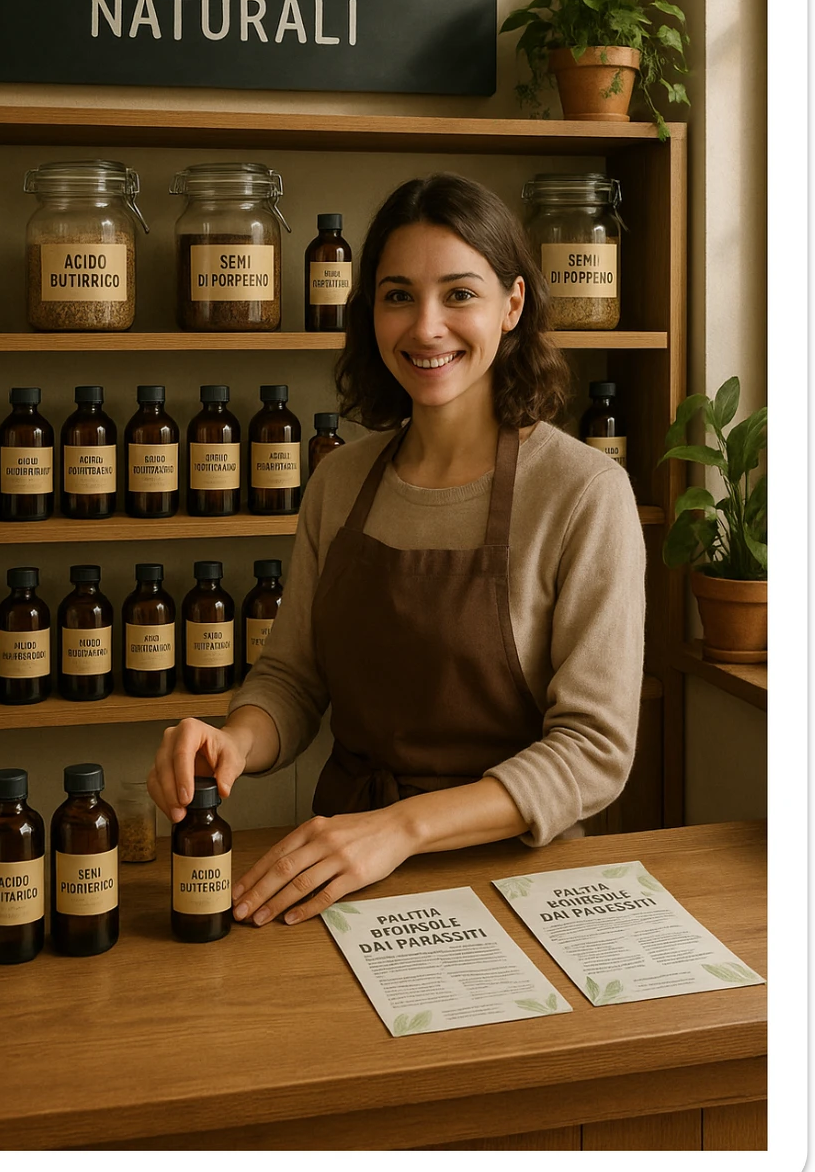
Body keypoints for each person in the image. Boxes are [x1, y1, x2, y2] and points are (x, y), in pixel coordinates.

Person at [148, 172, 647, 929]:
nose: (425, 327)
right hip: (343, 870)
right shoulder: (341, 478)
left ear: (513, 305)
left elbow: (593, 750)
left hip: (516, 877)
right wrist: (234, 738)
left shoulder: (583, 493)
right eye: (397, 295)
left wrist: (402, 829)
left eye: (459, 294)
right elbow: (292, 677)